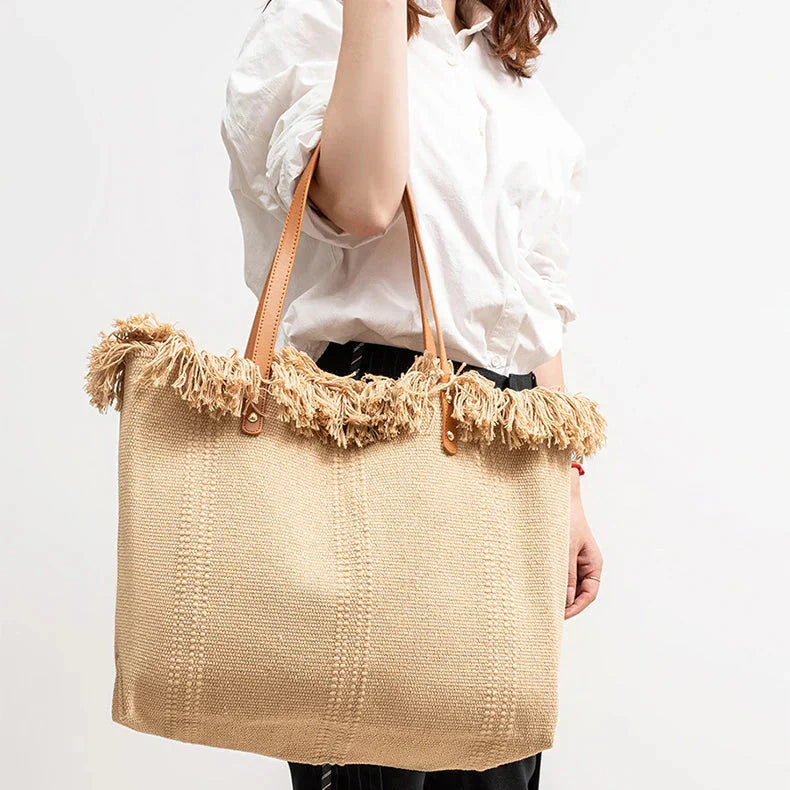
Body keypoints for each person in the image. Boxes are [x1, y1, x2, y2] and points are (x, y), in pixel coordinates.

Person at [221, 1, 603, 788]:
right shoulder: (324, 17)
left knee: (497, 754)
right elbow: (361, 203)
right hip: (375, 422)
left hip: (510, 439)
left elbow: (531, 298)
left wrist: (566, 484)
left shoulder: (496, 54)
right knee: (375, 749)